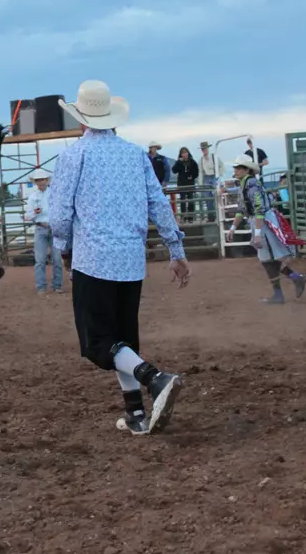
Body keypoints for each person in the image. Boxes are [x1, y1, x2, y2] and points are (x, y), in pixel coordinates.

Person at [49, 79, 190, 436]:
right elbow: (158, 202)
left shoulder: (73, 155)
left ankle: (155, 378)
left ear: (81, 118)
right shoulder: (135, 154)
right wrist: (176, 249)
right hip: (130, 260)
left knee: (98, 343)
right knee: (122, 340)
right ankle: (136, 415)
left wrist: (64, 250)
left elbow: (61, 215)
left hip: (93, 259)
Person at [225, 154, 306, 304]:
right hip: (261, 222)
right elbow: (242, 209)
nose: (236, 170)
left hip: (263, 222)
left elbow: (258, 209)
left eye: (239, 168)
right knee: (268, 258)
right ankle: (294, 280)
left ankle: (284, 289)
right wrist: (232, 228)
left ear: (246, 170)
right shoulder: (246, 184)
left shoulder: (251, 185)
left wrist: (256, 233)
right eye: (236, 167)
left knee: (267, 259)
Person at [24, 169, 63, 294]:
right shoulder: (32, 197)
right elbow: (28, 216)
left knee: (57, 259)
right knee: (40, 260)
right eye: (39, 180)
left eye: (43, 179)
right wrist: (35, 212)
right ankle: (41, 286)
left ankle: (57, 285)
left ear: (47, 180)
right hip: (40, 227)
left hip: (53, 228)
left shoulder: (54, 194)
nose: (41, 182)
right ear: (36, 182)